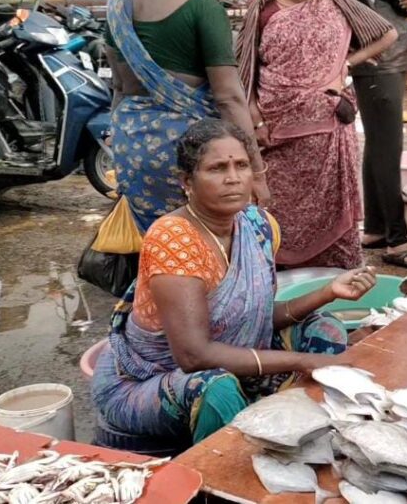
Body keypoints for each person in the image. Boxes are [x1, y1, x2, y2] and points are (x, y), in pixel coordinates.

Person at [91, 119, 377, 445]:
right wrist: (303, 360)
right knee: (217, 389)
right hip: (151, 378)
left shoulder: (257, 224)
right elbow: (194, 356)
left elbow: (255, 317)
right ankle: (223, 466)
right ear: (187, 181)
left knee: (325, 327)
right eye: (217, 168)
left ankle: (309, 433)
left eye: (241, 165)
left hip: (231, 361)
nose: (233, 178)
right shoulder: (173, 238)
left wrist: (328, 292)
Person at [236, 0, 396, 269]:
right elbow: (245, 71)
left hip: (330, 131)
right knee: (279, 208)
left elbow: (387, 34)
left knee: (333, 206)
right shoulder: (264, 11)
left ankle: (334, 279)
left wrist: (347, 64)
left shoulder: (335, 2)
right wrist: (257, 121)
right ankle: (283, 278)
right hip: (278, 132)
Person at [106, 0, 269, 233]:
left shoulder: (117, 8)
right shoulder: (202, 8)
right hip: (189, 153)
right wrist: (256, 172)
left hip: (132, 149)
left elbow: (119, 86)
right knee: (204, 243)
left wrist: (119, 150)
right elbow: (229, 98)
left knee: (158, 242)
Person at [339, 0, 407, 268]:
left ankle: (376, 228)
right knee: (388, 148)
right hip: (381, 57)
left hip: (381, 57)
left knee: (378, 145)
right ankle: (396, 239)